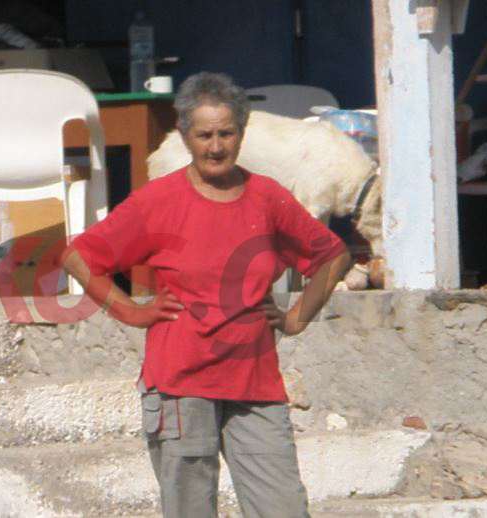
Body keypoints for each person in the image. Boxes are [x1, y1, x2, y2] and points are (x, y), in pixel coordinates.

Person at [63, 72, 352, 518]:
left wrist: (296, 318)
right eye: (204, 135)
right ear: (184, 136)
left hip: (255, 385)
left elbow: (334, 256)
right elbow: (79, 257)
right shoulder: (158, 201)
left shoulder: (266, 197)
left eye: (226, 133)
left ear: (242, 132)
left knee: (284, 508)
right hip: (180, 386)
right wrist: (133, 312)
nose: (216, 146)